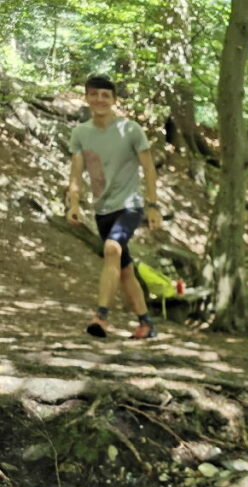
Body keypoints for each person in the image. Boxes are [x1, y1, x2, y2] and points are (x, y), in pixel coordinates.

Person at [67, 74, 162, 339]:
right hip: (102, 210)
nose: (99, 99)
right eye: (94, 94)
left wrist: (152, 205)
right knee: (123, 269)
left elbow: (149, 169)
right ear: (87, 97)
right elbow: (76, 174)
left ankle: (101, 317)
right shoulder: (80, 133)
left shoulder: (131, 129)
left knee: (112, 249)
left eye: (105, 95)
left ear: (114, 100)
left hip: (130, 206)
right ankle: (146, 323)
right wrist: (73, 203)